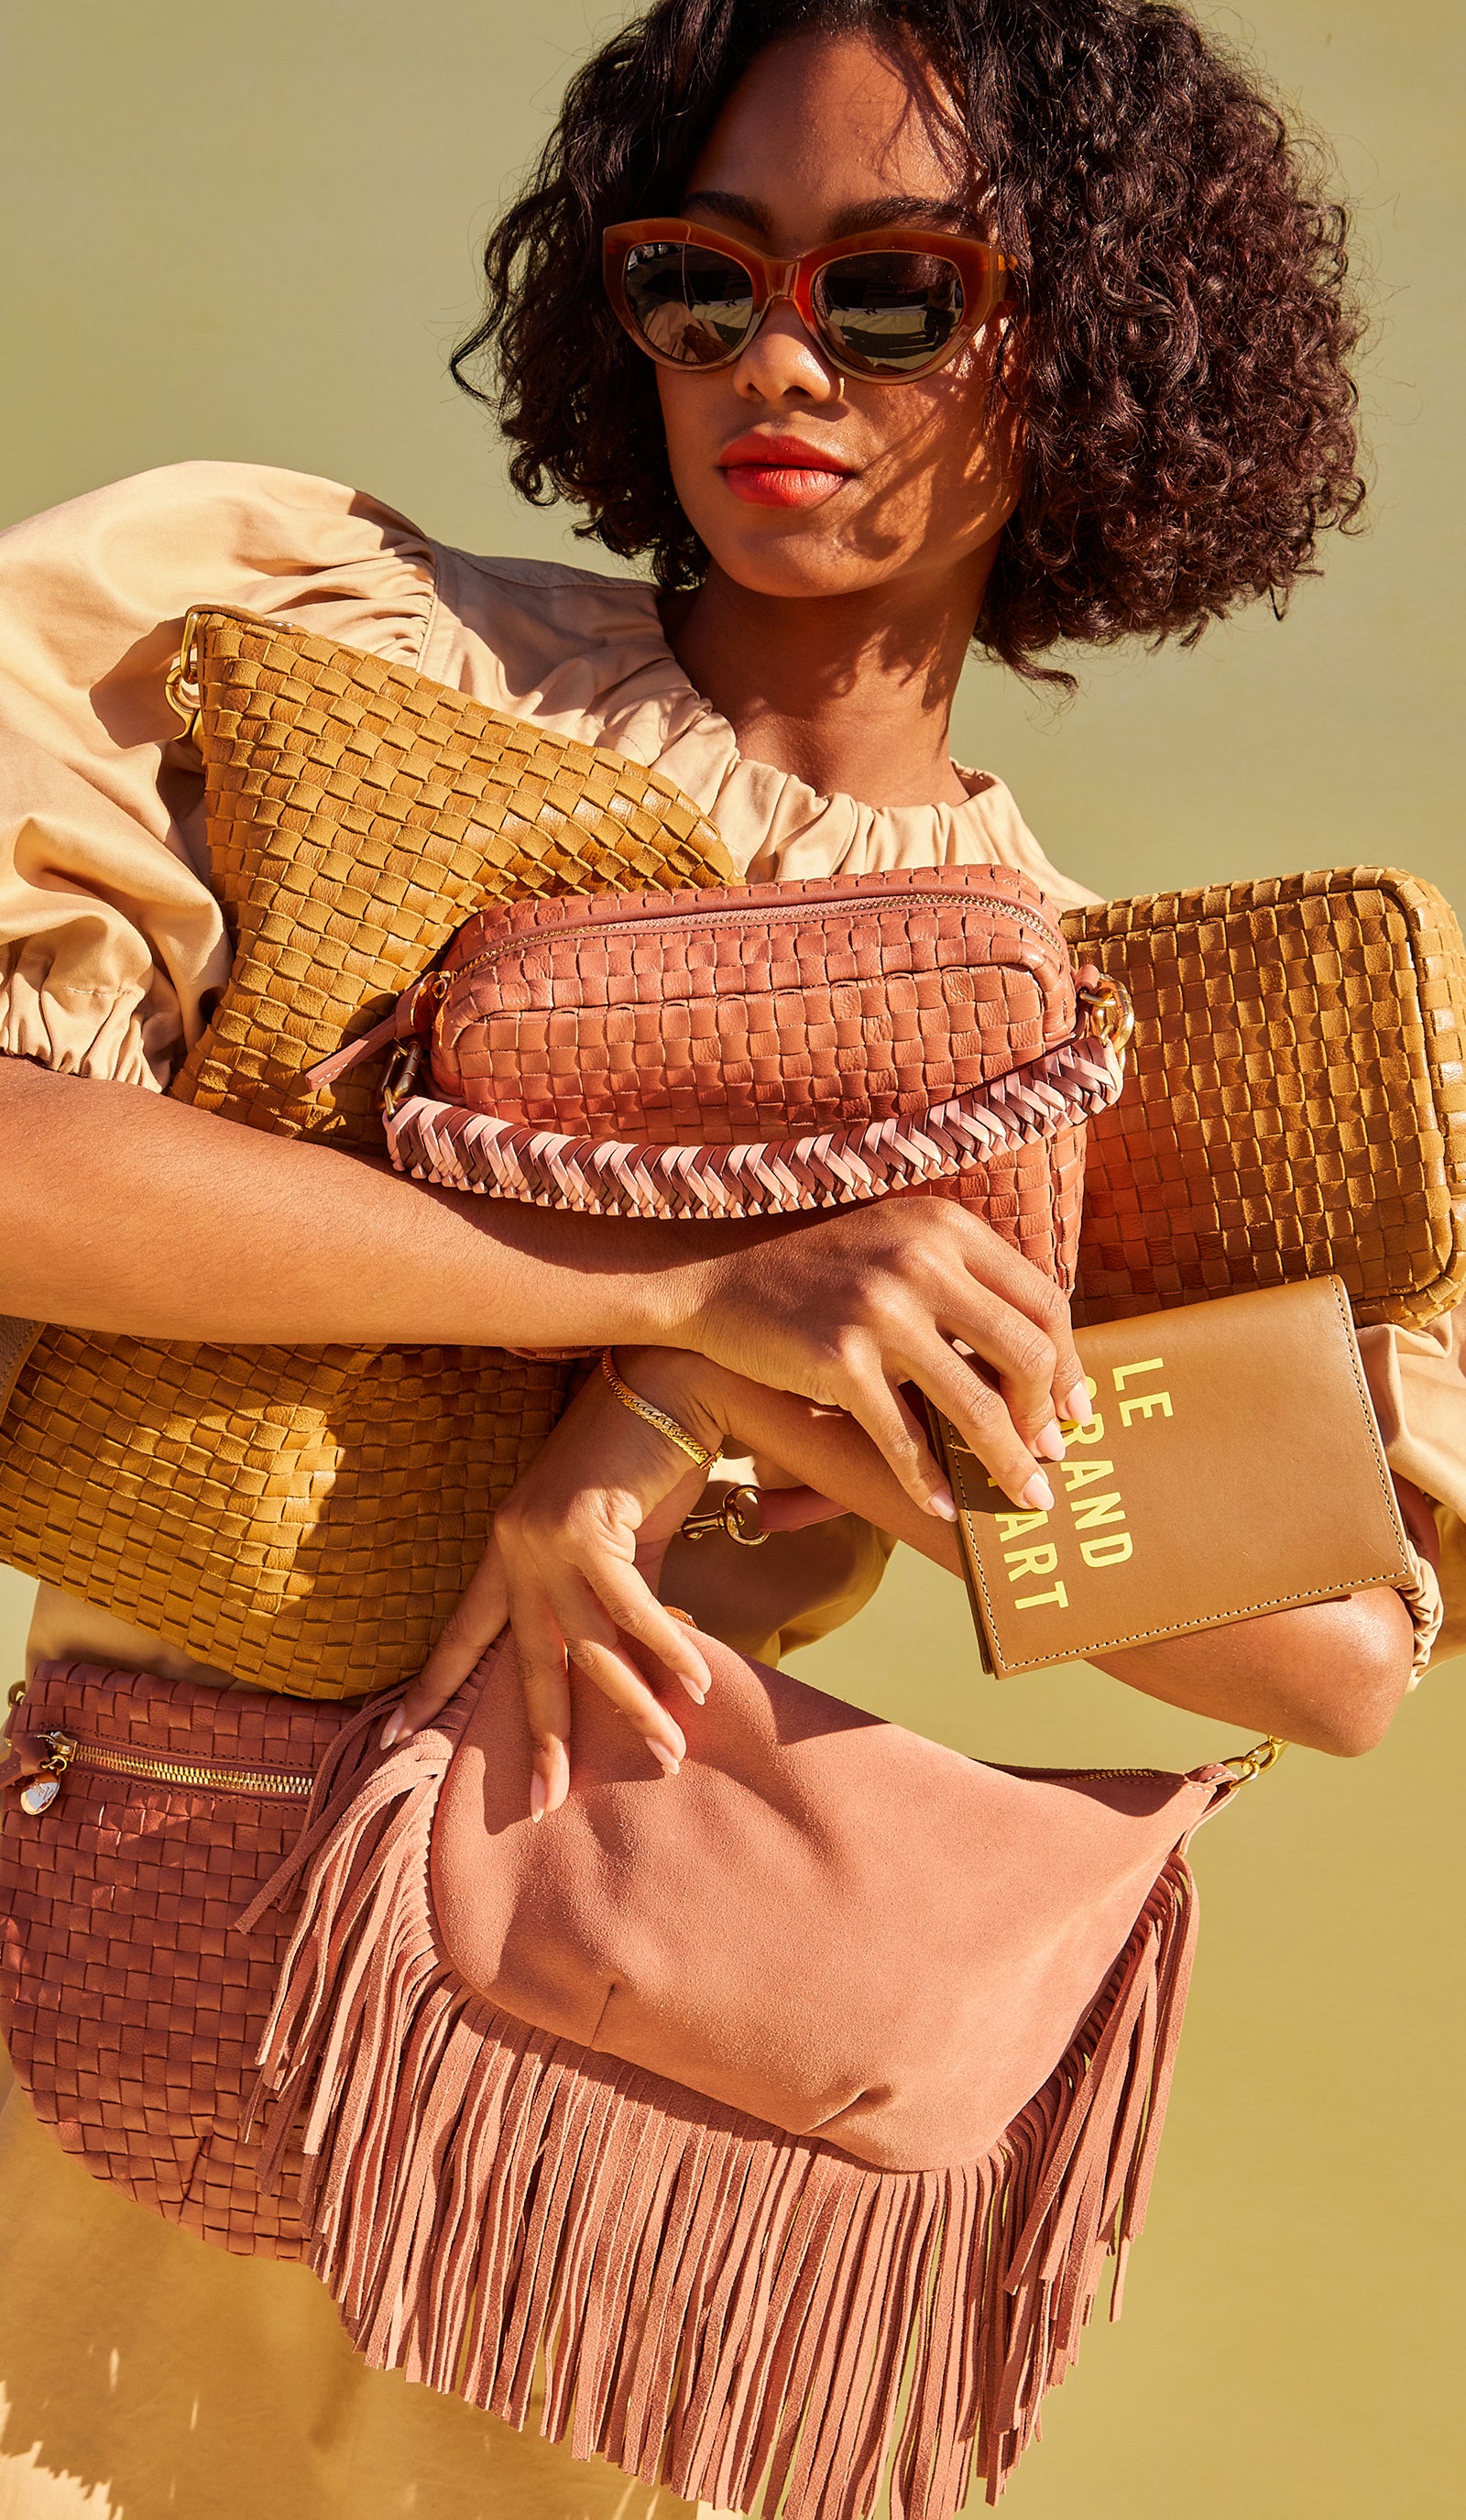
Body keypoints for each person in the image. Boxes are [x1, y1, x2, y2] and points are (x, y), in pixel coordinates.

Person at [1, 3, 1461, 2514]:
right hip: (90, 1996)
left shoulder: (1100, 1023)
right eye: (706, 280)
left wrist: (743, 1412)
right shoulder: (338, 668)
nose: (779, 362)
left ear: (1094, 337)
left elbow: (1332, 1655)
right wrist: (661, 1294)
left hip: (546, 2123)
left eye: (892, 291)